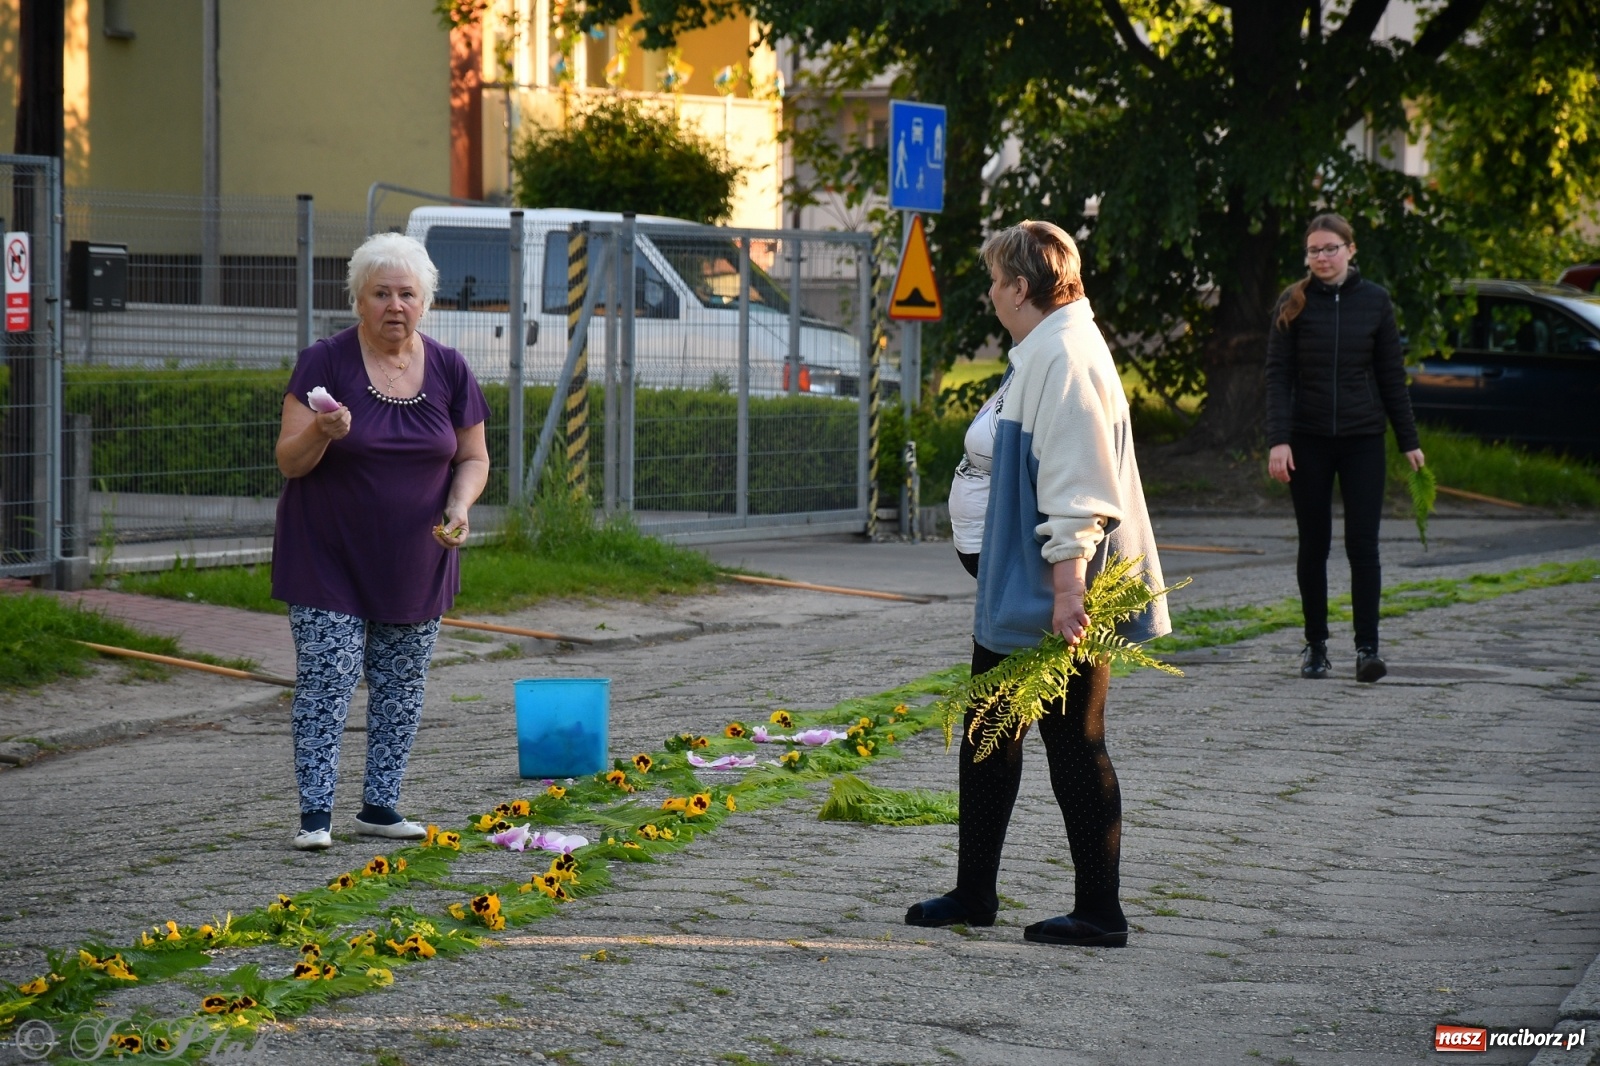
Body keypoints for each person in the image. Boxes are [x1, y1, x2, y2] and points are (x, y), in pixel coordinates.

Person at [908, 220, 1168, 948]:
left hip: (1057, 595)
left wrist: (1067, 591)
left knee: (1074, 740)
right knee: (990, 731)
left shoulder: (1067, 355)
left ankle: (1100, 912)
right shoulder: (1047, 347)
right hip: (1027, 588)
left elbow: (1079, 486)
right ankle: (974, 891)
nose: (990, 293)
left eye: (995, 281)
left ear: (1021, 287)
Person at [273, 232, 490, 851]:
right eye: (381, 294)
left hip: (416, 555)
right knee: (330, 675)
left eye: (407, 294)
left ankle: (380, 806)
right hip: (327, 555)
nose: (395, 305)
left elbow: (473, 457)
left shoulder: (449, 367)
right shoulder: (325, 362)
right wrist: (321, 430)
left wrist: (459, 505)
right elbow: (289, 462)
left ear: (426, 302)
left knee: (401, 683)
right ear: (358, 300)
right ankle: (316, 815)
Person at [1264, 213, 1424, 683]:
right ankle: (1316, 647)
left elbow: (1392, 376)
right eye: (1314, 250)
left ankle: (1367, 649)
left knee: (1363, 546)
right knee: (1314, 544)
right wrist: (1279, 439)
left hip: (1363, 439)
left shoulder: (1375, 302)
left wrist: (1409, 442)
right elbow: (1277, 378)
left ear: (1351, 250)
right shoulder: (1293, 302)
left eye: (1331, 248)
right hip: (1308, 440)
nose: (1322, 258)